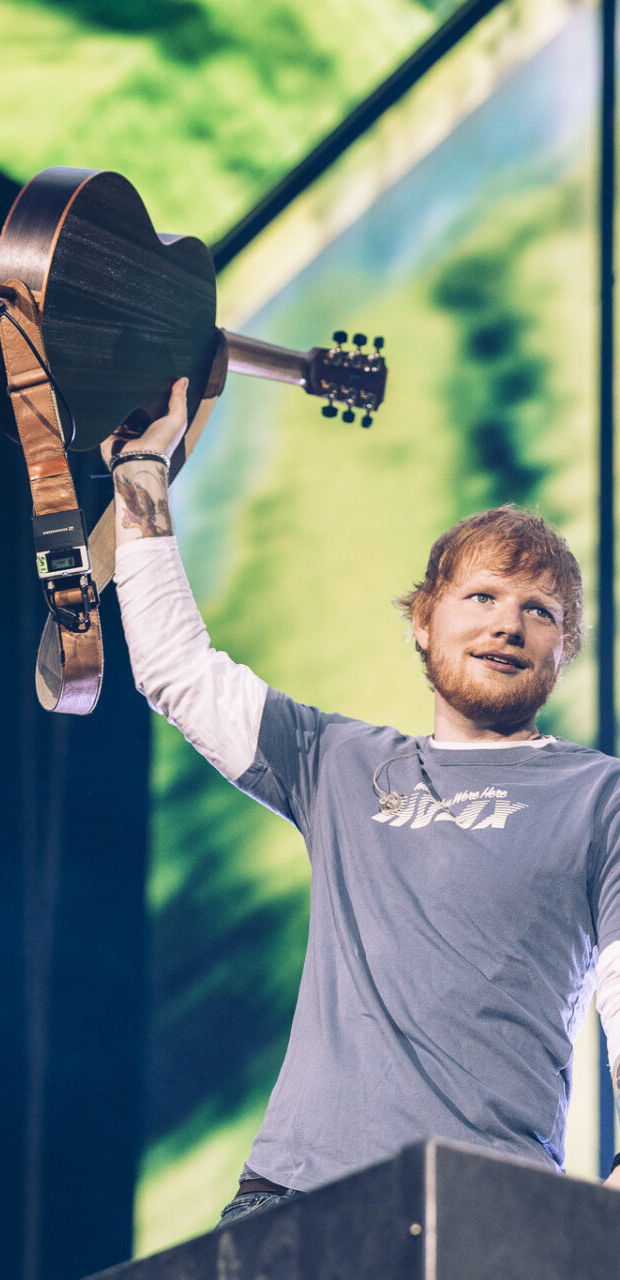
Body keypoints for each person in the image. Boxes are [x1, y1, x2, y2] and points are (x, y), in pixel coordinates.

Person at [101, 379, 620, 1225]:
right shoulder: (337, 762)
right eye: (482, 597)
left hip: (485, 1213)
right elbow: (177, 672)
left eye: (540, 612)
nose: (508, 623)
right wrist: (142, 470)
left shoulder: (602, 796)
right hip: (290, 1198)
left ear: (563, 653)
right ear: (423, 620)